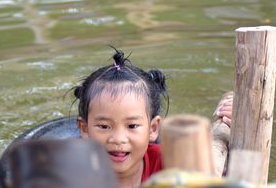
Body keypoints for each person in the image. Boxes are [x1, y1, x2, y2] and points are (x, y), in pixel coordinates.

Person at [73, 47, 232, 188]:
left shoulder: (169, 163)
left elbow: (222, 174)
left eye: (132, 126)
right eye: (104, 126)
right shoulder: (70, 174)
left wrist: (234, 125)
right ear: (85, 129)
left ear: (153, 128)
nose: (118, 139)